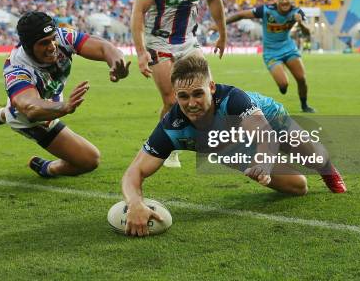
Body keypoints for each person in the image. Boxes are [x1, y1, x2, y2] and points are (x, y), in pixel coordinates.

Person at [121, 55, 346, 237]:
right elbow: (135, 171)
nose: (191, 103)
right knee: (298, 187)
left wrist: (263, 162)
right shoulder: (171, 126)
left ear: (211, 87)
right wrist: (135, 202)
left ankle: (329, 171)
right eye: (183, 96)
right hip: (230, 147)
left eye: (198, 93)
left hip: (269, 119)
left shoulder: (233, 99)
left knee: (314, 156)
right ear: (176, 95)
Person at [0, 11, 130, 178]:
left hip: (44, 95)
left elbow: (103, 47)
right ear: (28, 46)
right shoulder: (17, 69)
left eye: (52, 39)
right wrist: (63, 107)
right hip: (33, 118)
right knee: (89, 160)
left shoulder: (61, 37)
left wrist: (117, 64)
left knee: (21, 101)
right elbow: (30, 107)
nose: (52, 46)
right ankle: (47, 168)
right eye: (44, 43)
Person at [131, 0, 227, 168]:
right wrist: (141, 52)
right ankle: (168, 147)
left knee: (206, 95)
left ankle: (208, 143)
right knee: (173, 100)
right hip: (158, 42)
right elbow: (138, 11)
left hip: (188, 40)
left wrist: (222, 33)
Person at [220, 0, 316, 113]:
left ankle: (304, 106)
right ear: (277, 0)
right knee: (283, 85)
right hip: (271, 53)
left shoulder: (297, 12)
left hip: (289, 48)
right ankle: (282, 85)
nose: (284, 1)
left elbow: (308, 33)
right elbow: (241, 14)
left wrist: (301, 23)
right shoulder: (266, 10)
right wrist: (221, 23)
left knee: (301, 78)